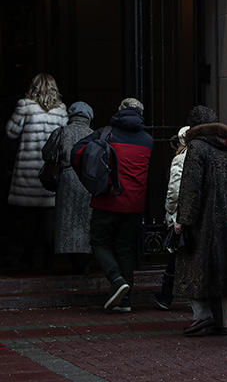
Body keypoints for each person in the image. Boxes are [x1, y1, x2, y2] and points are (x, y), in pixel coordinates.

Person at [72, 98, 153, 312]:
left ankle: (116, 279)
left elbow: (77, 152)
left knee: (99, 242)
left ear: (120, 110)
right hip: (135, 203)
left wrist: (87, 181)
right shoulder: (148, 140)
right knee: (125, 249)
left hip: (107, 199)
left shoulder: (105, 133)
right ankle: (124, 301)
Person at [174, 107, 227, 336]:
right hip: (224, 217)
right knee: (219, 267)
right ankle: (222, 321)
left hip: (202, 218)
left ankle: (202, 315)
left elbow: (191, 188)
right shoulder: (226, 148)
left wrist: (183, 220)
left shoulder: (197, 147)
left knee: (194, 265)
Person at [5, 73, 67, 269]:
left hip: (27, 171)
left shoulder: (25, 106)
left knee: (28, 216)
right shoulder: (60, 111)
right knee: (49, 215)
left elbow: (10, 131)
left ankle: (29, 256)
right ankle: (48, 257)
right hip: (50, 171)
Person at [45, 101, 94, 274]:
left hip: (66, 180)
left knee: (66, 223)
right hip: (87, 182)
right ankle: (83, 263)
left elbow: (46, 153)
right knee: (84, 223)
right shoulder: (93, 134)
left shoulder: (62, 132)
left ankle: (64, 261)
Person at [155, 124, 190, 310]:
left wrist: (169, 210)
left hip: (180, 214)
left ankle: (166, 295)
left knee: (175, 256)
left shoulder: (181, 158)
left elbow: (174, 191)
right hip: (194, 214)